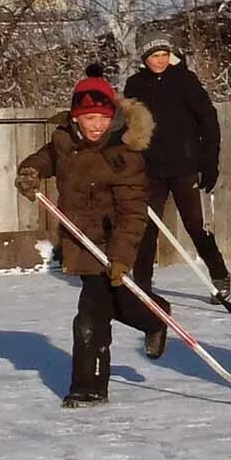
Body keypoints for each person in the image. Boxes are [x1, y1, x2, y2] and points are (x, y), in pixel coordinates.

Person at [14, 65, 170, 408]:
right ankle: (155, 316)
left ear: (113, 116)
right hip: (82, 241)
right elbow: (47, 157)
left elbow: (133, 213)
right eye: (89, 118)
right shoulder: (64, 140)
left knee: (92, 315)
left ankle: (89, 387)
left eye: (102, 117)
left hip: (116, 241)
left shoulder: (123, 153)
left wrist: (122, 256)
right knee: (114, 303)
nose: (96, 125)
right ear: (75, 118)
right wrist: (32, 171)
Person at [124, 30, 231, 300]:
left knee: (195, 225)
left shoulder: (184, 80)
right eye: (154, 56)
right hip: (150, 170)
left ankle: (220, 276)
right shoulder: (135, 85)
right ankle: (143, 285)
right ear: (144, 57)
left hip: (184, 167)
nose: (160, 60)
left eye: (164, 55)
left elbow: (208, 119)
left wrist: (210, 160)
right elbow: (127, 125)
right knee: (147, 227)